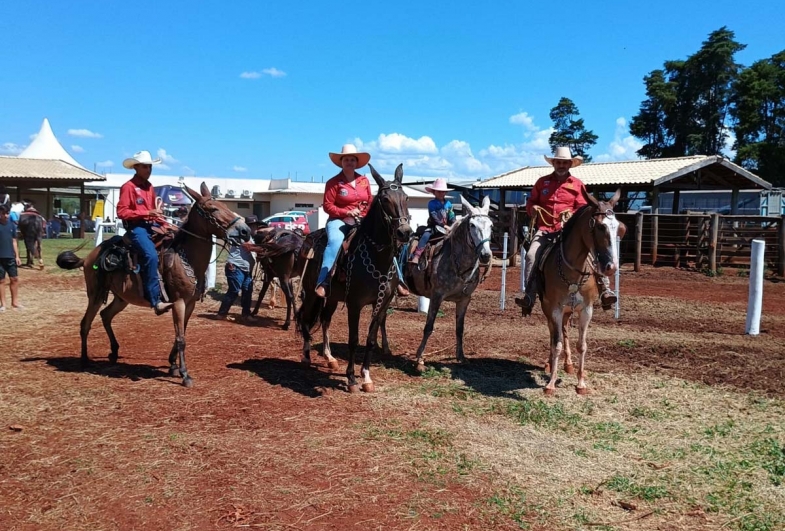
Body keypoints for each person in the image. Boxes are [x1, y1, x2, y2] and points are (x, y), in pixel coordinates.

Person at [515, 146, 617, 316]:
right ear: (554, 163)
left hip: (569, 231)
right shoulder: (542, 182)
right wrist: (533, 209)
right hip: (545, 230)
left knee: (592, 253)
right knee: (531, 255)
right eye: (558, 162)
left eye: (564, 163)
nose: (561, 165)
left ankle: (606, 290)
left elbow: (583, 208)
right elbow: (531, 202)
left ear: (570, 164)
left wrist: (571, 214)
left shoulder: (578, 185)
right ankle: (529, 295)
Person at [116, 150, 173, 315]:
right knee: (151, 255)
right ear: (136, 167)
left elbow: (154, 212)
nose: (149, 170)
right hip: (137, 228)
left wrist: (166, 223)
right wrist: (147, 213)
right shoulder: (128, 187)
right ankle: (155, 300)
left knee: (174, 242)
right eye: (145, 167)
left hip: (152, 224)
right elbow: (122, 212)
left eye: (150, 167)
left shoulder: (149, 187)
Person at [217, 215, 261, 322]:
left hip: (245, 269)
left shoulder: (249, 236)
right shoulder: (242, 235)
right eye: (252, 226)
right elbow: (249, 247)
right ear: (248, 227)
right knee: (234, 291)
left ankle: (246, 314)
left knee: (247, 291)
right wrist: (265, 248)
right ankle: (221, 314)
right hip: (236, 267)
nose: (255, 228)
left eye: (255, 225)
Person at [410, 178, 456, 265]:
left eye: (443, 191)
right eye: (439, 191)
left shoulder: (449, 204)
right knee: (426, 235)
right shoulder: (432, 203)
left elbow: (452, 216)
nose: (441, 193)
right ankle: (417, 255)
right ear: (434, 192)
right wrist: (443, 225)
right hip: (434, 227)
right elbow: (434, 216)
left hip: (447, 228)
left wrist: (454, 224)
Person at [0, 204, 23, 311]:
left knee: (14, 279)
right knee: (1, 281)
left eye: (7, 213)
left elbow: (14, 241)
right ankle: (3, 304)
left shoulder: (12, 225)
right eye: (3, 213)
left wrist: (17, 256)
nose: (6, 216)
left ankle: (15, 302)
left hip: (10, 257)